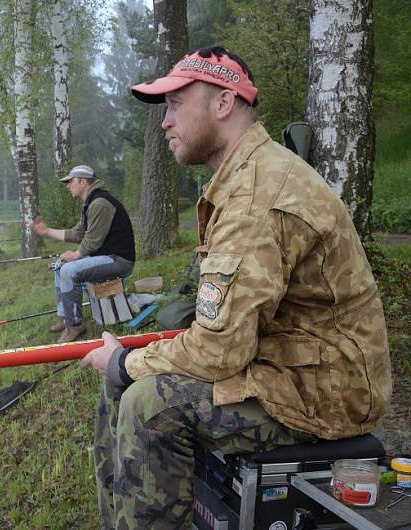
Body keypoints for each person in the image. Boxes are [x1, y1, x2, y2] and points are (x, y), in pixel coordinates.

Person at [79, 46, 392, 529]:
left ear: (223, 103)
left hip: (326, 391)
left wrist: (125, 361)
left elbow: (218, 352)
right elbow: (223, 326)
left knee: (147, 402)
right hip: (284, 364)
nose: (165, 122)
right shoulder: (245, 176)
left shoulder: (256, 197)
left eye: (177, 104)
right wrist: (129, 364)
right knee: (120, 385)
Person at [32, 165, 136, 343]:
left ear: (83, 181)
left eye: (70, 181)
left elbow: (92, 241)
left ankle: (75, 326)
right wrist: (47, 231)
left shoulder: (100, 203)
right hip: (104, 256)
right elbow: (77, 234)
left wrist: (76, 254)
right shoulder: (91, 202)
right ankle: (66, 318)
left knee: (68, 270)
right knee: (60, 265)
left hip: (118, 260)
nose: (68, 186)